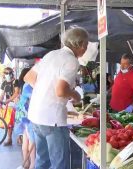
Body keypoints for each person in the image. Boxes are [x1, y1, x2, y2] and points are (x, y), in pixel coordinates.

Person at [24, 27, 88, 169]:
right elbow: (60, 91)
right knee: (59, 164)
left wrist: (44, 90)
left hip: (36, 116)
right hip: (52, 120)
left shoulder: (51, 54)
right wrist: (75, 94)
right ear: (80, 45)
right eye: (86, 45)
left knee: (42, 161)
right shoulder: (72, 60)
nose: (86, 49)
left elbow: (28, 77)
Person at [0, 67, 20, 146]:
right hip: (8, 105)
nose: (8, 74)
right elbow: (2, 93)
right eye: (6, 73)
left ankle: (18, 138)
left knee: (17, 122)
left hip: (15, 104)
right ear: (4, 74)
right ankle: (10, 139)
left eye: (10, 72)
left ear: (12, 73)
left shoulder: (15, 81)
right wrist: (0, 102)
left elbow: (16, 93)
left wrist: (8, 100)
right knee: (9, 123)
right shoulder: (4, 83)